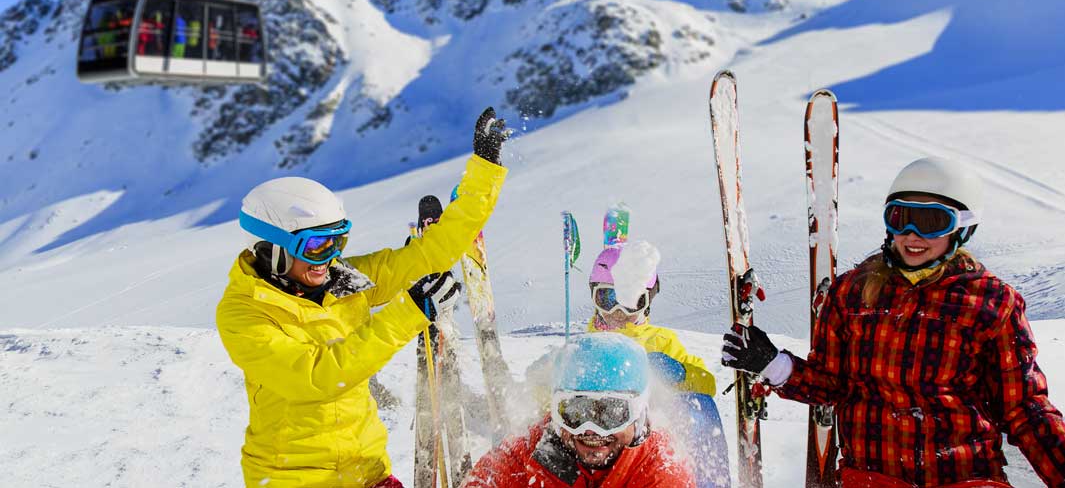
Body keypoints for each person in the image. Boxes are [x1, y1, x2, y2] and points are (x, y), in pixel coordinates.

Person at [721, 157, 1065, 488]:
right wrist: (773, 363)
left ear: (962, 228)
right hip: (874, 479)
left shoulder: (990, 302)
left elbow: (1024, 409)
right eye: (901, 218)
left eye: (932, 221)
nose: (912, 235)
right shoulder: (851, 294)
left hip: (965, 478)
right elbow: (834, 385)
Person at [217, 109, 510, 488]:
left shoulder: (341, 281)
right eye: (317, 245)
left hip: (366, 472)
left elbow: (431, 254)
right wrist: (410, 312)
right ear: (270, 249)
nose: (330, 258)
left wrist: (484, 171)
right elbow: (319, 377)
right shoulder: (245, 313)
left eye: (337, 242)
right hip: (294, 479)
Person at [463, 333, 695, 488]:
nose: (591, 429)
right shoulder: (536, 446)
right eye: (575, 412)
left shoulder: (662, 469)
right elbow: (485, 480)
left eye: (611, 413)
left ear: (639, 414)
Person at [586, 241, 730, 488]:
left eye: (630, 301)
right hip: (598, 438)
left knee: (699, 407)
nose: (618, 311)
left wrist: (679, 373)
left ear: (647, 301)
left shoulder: (661, 341)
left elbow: (707, 384)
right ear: (594, 298)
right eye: (608, 298)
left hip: (651, 436)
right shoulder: (587, 346)